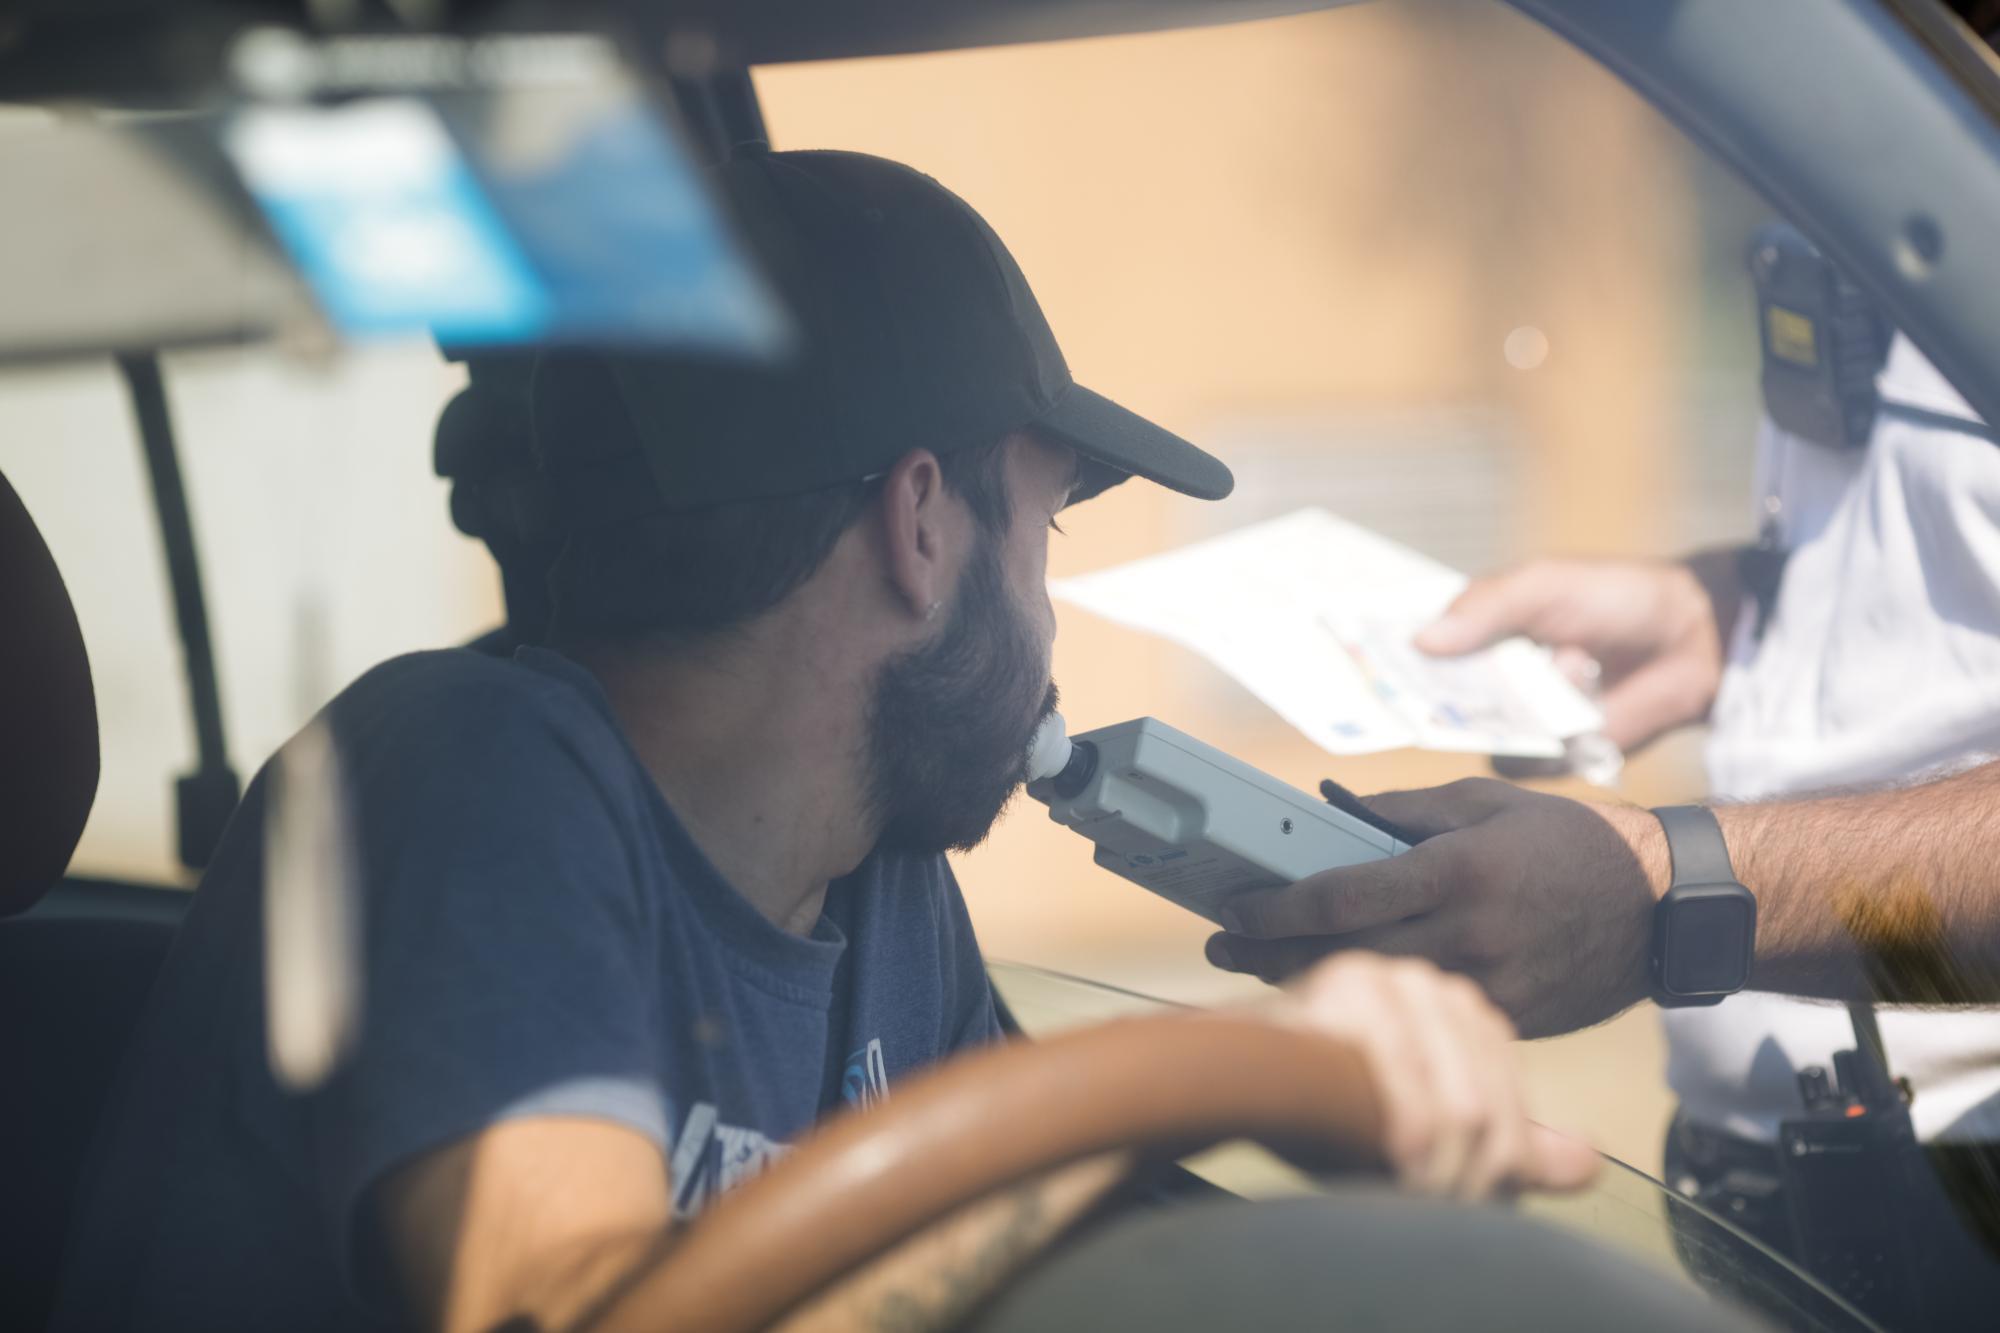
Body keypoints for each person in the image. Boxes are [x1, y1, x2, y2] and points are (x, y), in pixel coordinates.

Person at [52, 147, 1595, 1333]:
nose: (1049, 629)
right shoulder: (471, 785)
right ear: (922, 522)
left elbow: (1031, 1229)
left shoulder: (875, 880)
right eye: (1043, 534)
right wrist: (1207, 1072)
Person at [1205, 160, 2000, 1333]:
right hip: (1765, 1185)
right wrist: (1712, 615)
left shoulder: (1911, 104)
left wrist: (1660, 897)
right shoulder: (1883, 133)